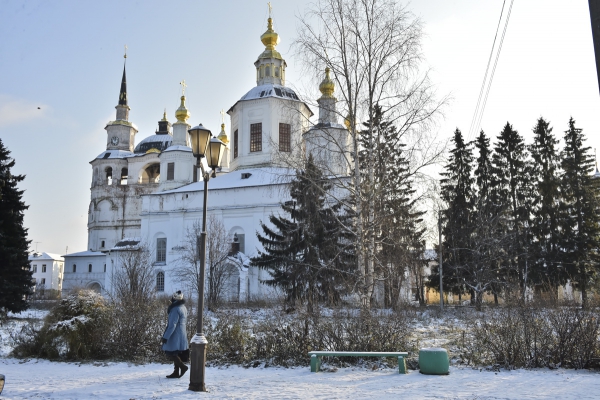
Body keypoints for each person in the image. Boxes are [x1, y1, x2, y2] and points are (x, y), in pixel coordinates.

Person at [162, 290, 189, 379]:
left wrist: (165, 337)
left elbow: (172, 324)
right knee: (176, 352)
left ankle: (183, 367)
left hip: (175, 334)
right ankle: (176, 372)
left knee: (171, 352)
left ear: (174, 298)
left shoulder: (175, 309)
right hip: (182, 332)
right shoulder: (183, 307)